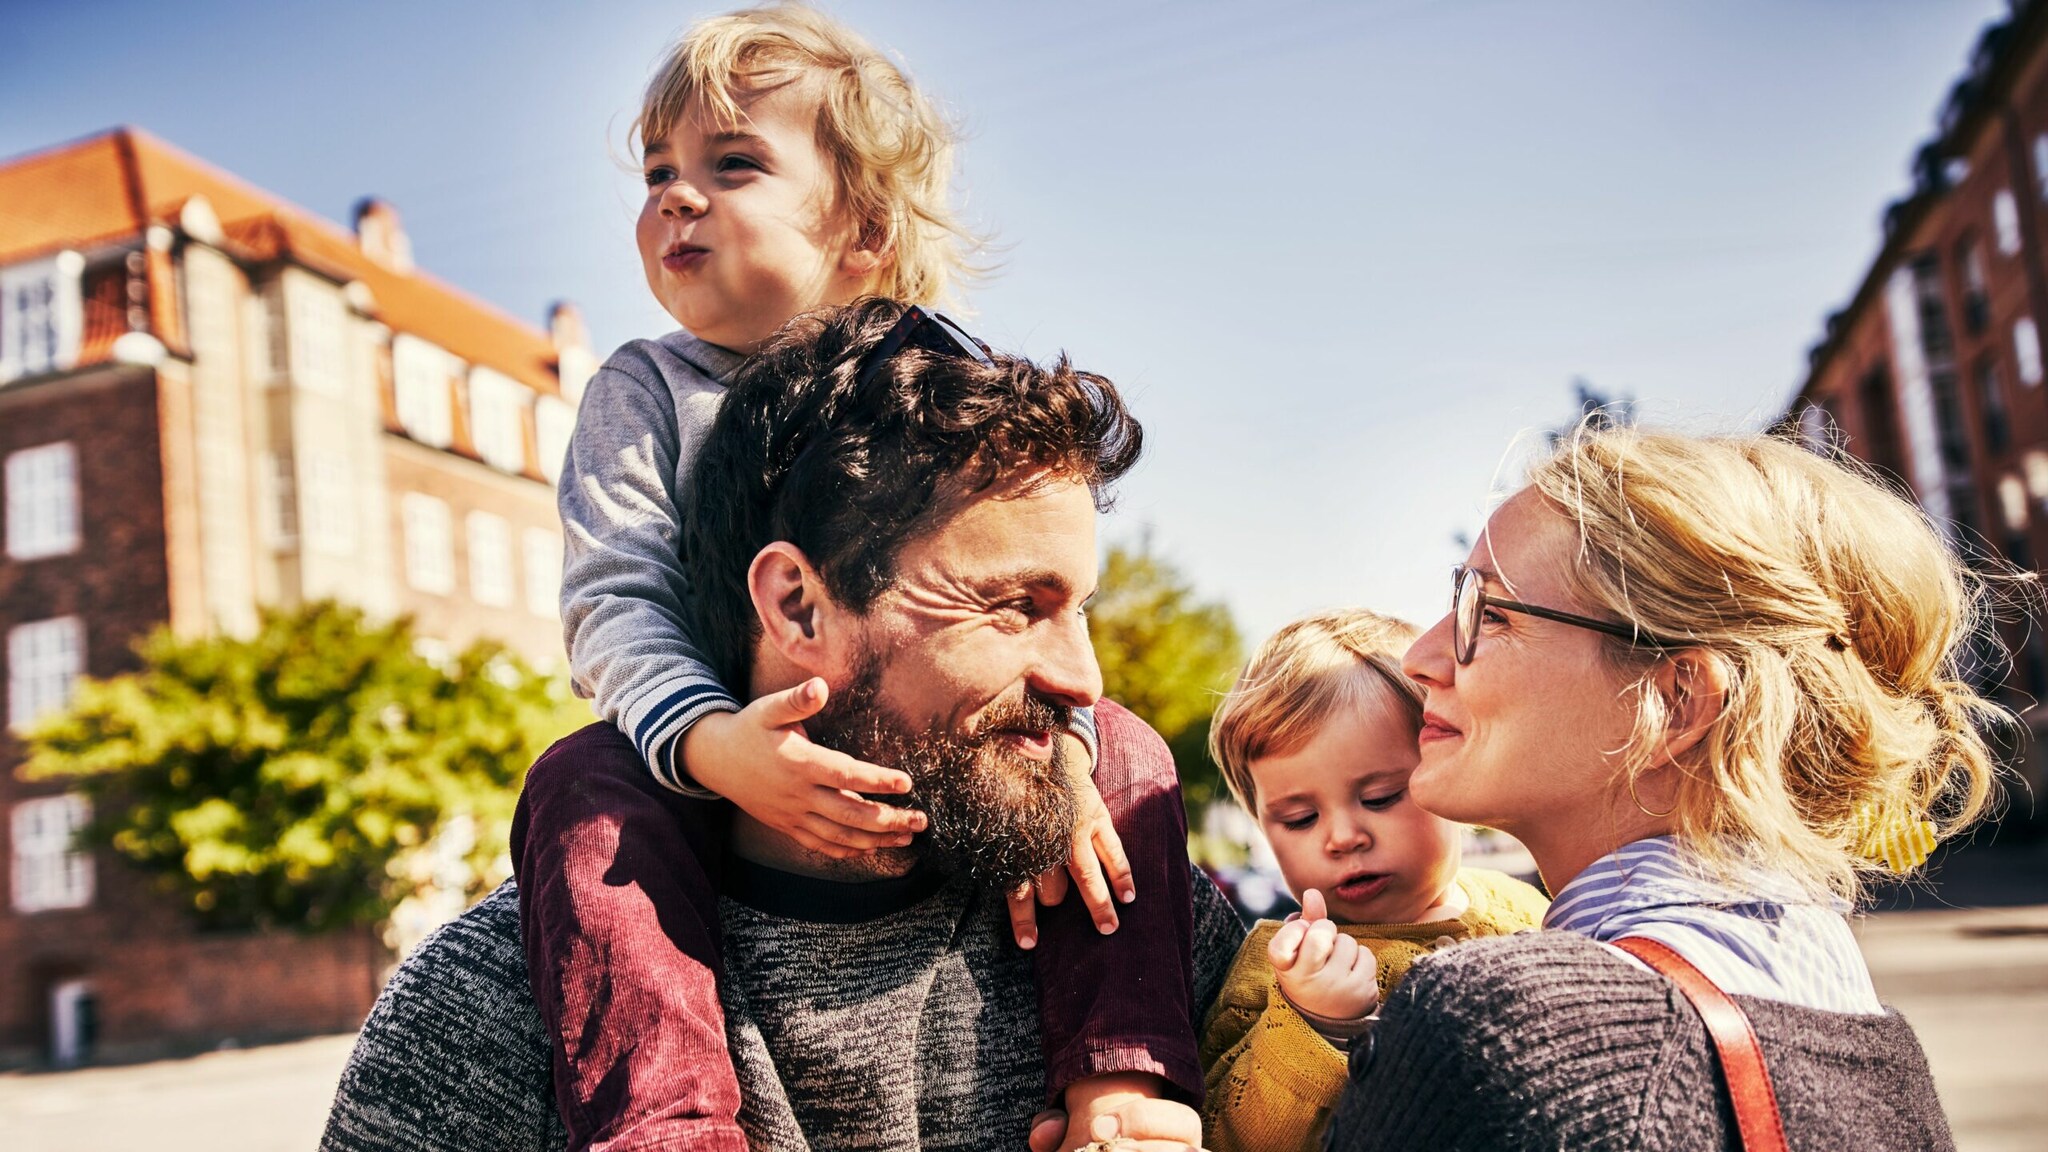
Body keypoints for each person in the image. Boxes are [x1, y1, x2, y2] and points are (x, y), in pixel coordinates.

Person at [323, 300, 1247, 1152]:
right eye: (1012, 605)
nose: (1083, 678)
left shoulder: (1145, 921)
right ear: (798, 607)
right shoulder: (492, 1007)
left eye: (1079, 607)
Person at [527, 6, 1199, 1149]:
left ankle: (1119, 1086)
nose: (673, 197)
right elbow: (613, 596)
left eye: (730, 164)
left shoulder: (944, 379)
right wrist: (710, 742)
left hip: (941, 742)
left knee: (1125, 753)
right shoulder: (641, 389)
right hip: (714, 751)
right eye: (656, 171)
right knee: (583, 788)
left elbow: (1022, 595)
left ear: (866, 228)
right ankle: (668, 1119)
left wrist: (1061, 765)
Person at [1325, 426, 1990, 1151]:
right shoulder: (1866, 1038)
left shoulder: (1510, 1027)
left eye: (1491, 614)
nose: (1419, 658)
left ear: (1677, 702)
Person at [1197, 609, 1547, 1152]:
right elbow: (1223, 1137)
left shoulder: (1526, 907)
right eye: (1300, 819)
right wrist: (1314, 1022)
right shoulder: (1274, 969)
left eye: (1380, 798)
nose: (1342, 837)